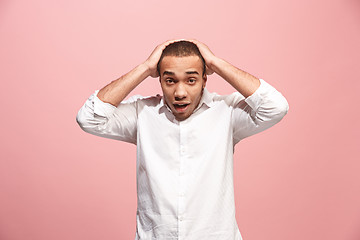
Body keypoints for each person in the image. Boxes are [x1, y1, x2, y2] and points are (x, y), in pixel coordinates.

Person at [76, 39, 289, 240]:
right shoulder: (142, 113)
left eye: (191, 80)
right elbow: (88, 119)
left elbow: (275, 107)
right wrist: (145, 68)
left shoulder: (227, 112)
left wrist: (216, 62)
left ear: (204, 79)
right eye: (170, 80)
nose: (180, 92)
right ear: (159, 79)